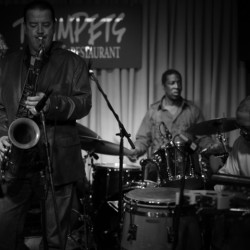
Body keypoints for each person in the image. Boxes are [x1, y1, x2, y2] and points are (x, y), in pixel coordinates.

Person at [0, 1, 92, 250]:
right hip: (17, 162)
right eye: (33, 25)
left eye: (45, 25)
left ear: (55, 27)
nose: (40, 32)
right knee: (5, 234)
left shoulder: (74, 63)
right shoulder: (6, 64)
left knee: (55, 241)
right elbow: (0, 108)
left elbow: (84, 104)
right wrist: (1, 134)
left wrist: (52, 104)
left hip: (57, 163)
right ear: (25, 28)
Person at [128, 69, 219, 189]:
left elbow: (203, 138)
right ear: (164, 86)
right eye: (172, 83)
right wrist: (135, 150)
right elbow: (143, 139)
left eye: (179, 82)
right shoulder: (154, 111)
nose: (177, 86)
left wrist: (213, 146)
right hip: (159, 169)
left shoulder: (192, 110)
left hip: (187, 169)